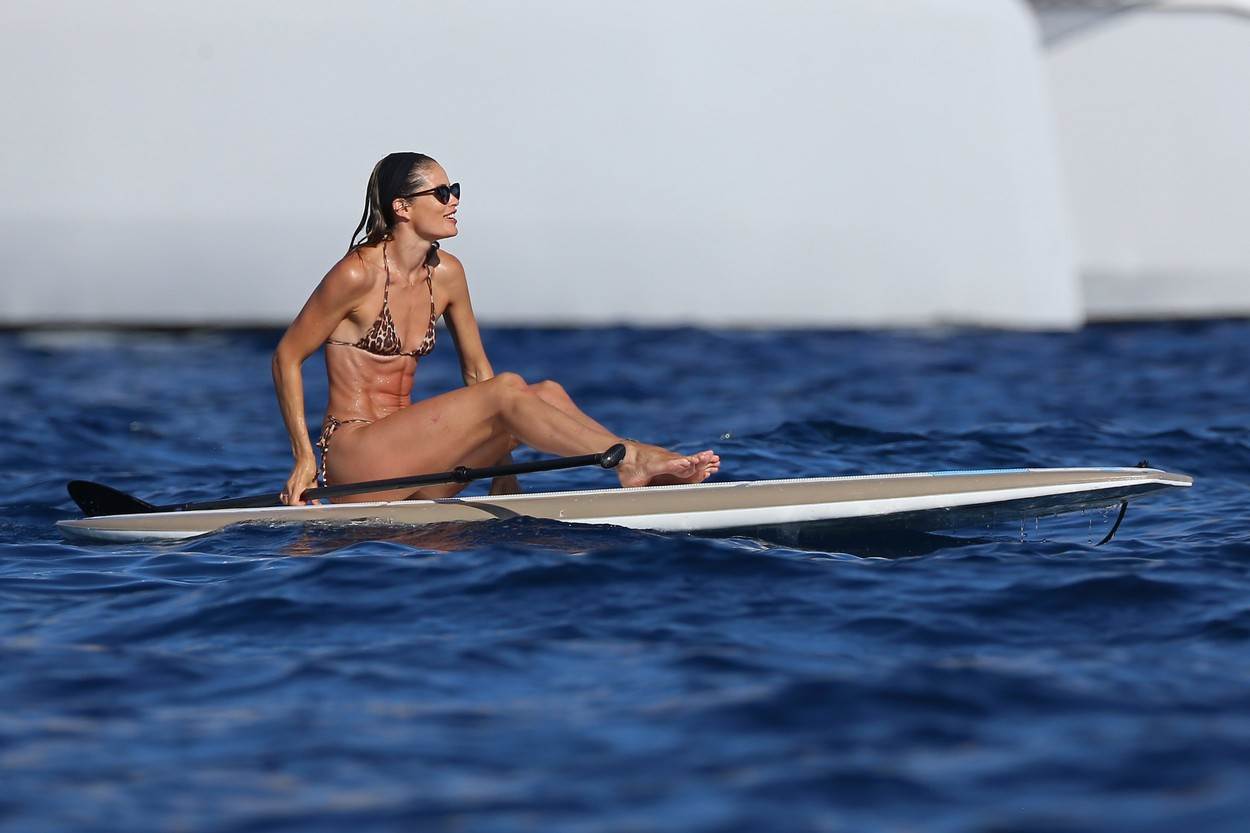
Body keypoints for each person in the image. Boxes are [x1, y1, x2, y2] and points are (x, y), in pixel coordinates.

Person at [272, 152, 720, 505]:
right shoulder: (357, 274)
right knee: (507, 390)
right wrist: (303, 458)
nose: (454, 201)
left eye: (455, 190)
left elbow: (476, 374)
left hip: (418, 467)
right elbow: (286, 357)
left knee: (544, 393)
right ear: (402, 207)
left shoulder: (448, 274)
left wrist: (501, 468)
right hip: (357, 463)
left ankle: (638, 461)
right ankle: (632, 459)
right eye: (441, 193)